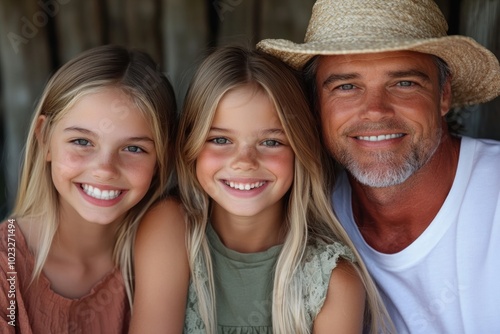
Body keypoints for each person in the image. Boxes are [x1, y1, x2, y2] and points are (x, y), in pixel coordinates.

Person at [257, 0, 500, 332]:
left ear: (443, 94)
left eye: (403, 83)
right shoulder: (305, 215)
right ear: (316, 104)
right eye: (346, 87)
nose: (375, 111)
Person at [130, 45, 394, 333]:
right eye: (220, 140)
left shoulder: (332, 281)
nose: (244, 162)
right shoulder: (171, 227)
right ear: (191, 145)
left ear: (300, 150)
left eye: (270, 142)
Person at [0, 44, 177, 333]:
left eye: (133, 148)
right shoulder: (5, 263)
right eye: (82, 142)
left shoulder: (162, 249)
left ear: (161, 159)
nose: (105, 169)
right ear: (45, 139)